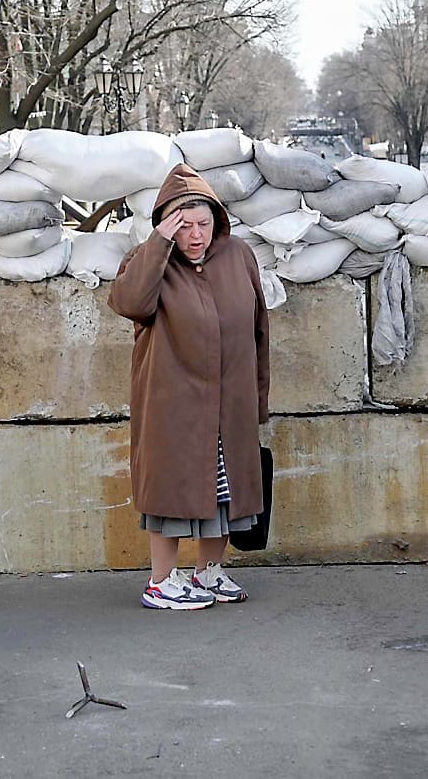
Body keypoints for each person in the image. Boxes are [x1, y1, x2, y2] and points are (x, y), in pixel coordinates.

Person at [106, 163, 270, 611]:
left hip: (230, 398)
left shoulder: (238, 256)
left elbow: (258, 328)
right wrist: (159, 243)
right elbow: (130, 303)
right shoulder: (147, 261)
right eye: (184, 225)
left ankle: (208, 572)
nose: (196, 234)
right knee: (172, 491)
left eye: (203, 223)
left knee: (226, 489)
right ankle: (161, 581)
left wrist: (257, 398)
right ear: (167, 223)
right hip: (172, 401)